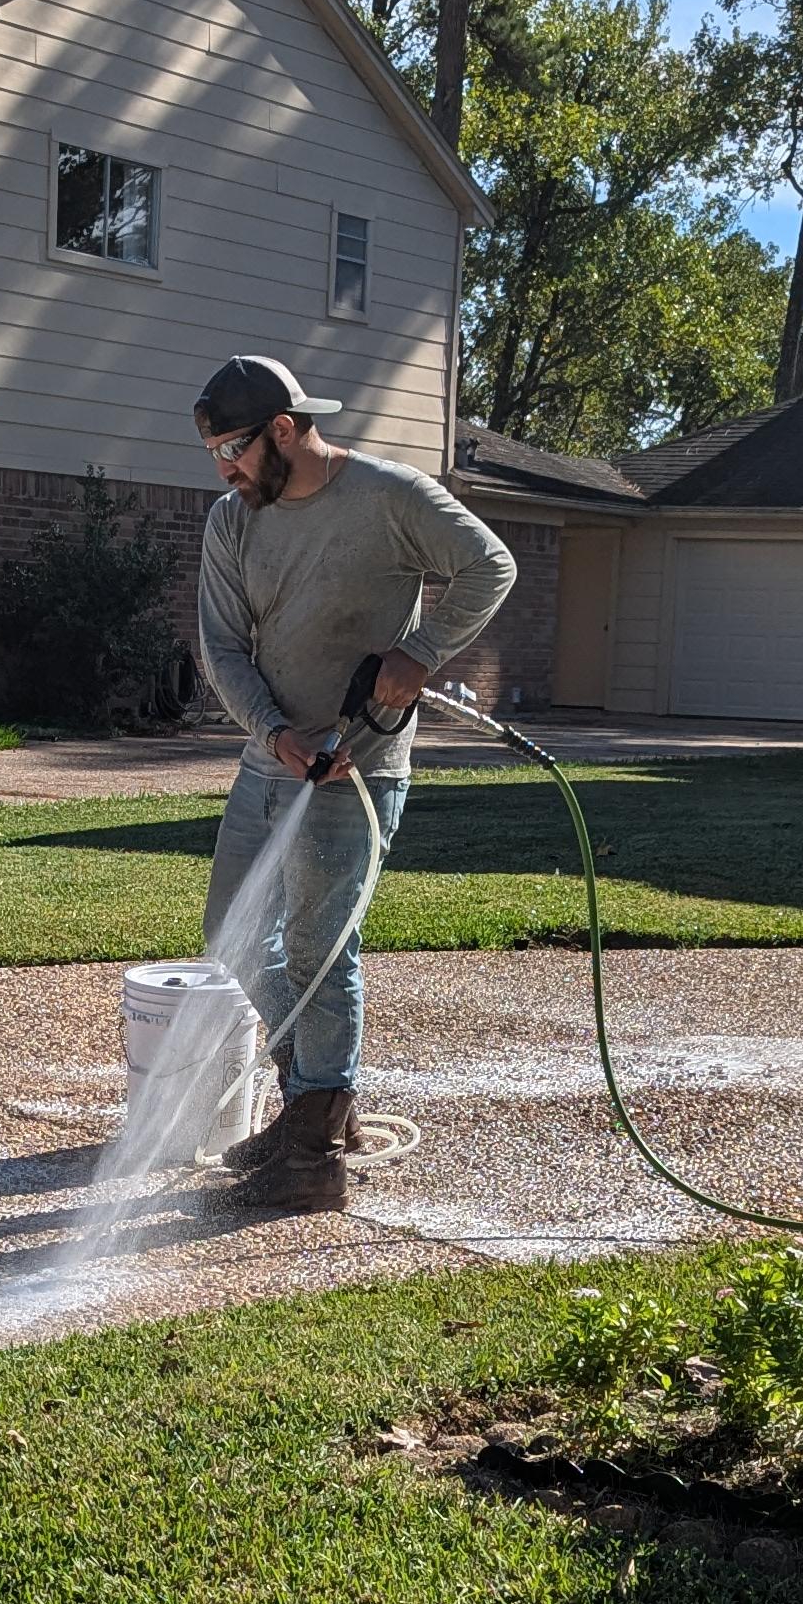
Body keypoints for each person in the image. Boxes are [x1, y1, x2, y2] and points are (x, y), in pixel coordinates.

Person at [192, 353, 518, 1213]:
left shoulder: (388, 496)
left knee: (318, 946)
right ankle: (313, 1100)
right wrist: (276, 733)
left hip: (360, 774)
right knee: (233, 934)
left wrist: (420, 653)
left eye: (235, 447)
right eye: (218, 453)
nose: (227, 468)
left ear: (286, 430)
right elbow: (222, 648)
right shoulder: (232, 520)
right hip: (272, 762)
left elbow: (490, 564)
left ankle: (313, 1149)